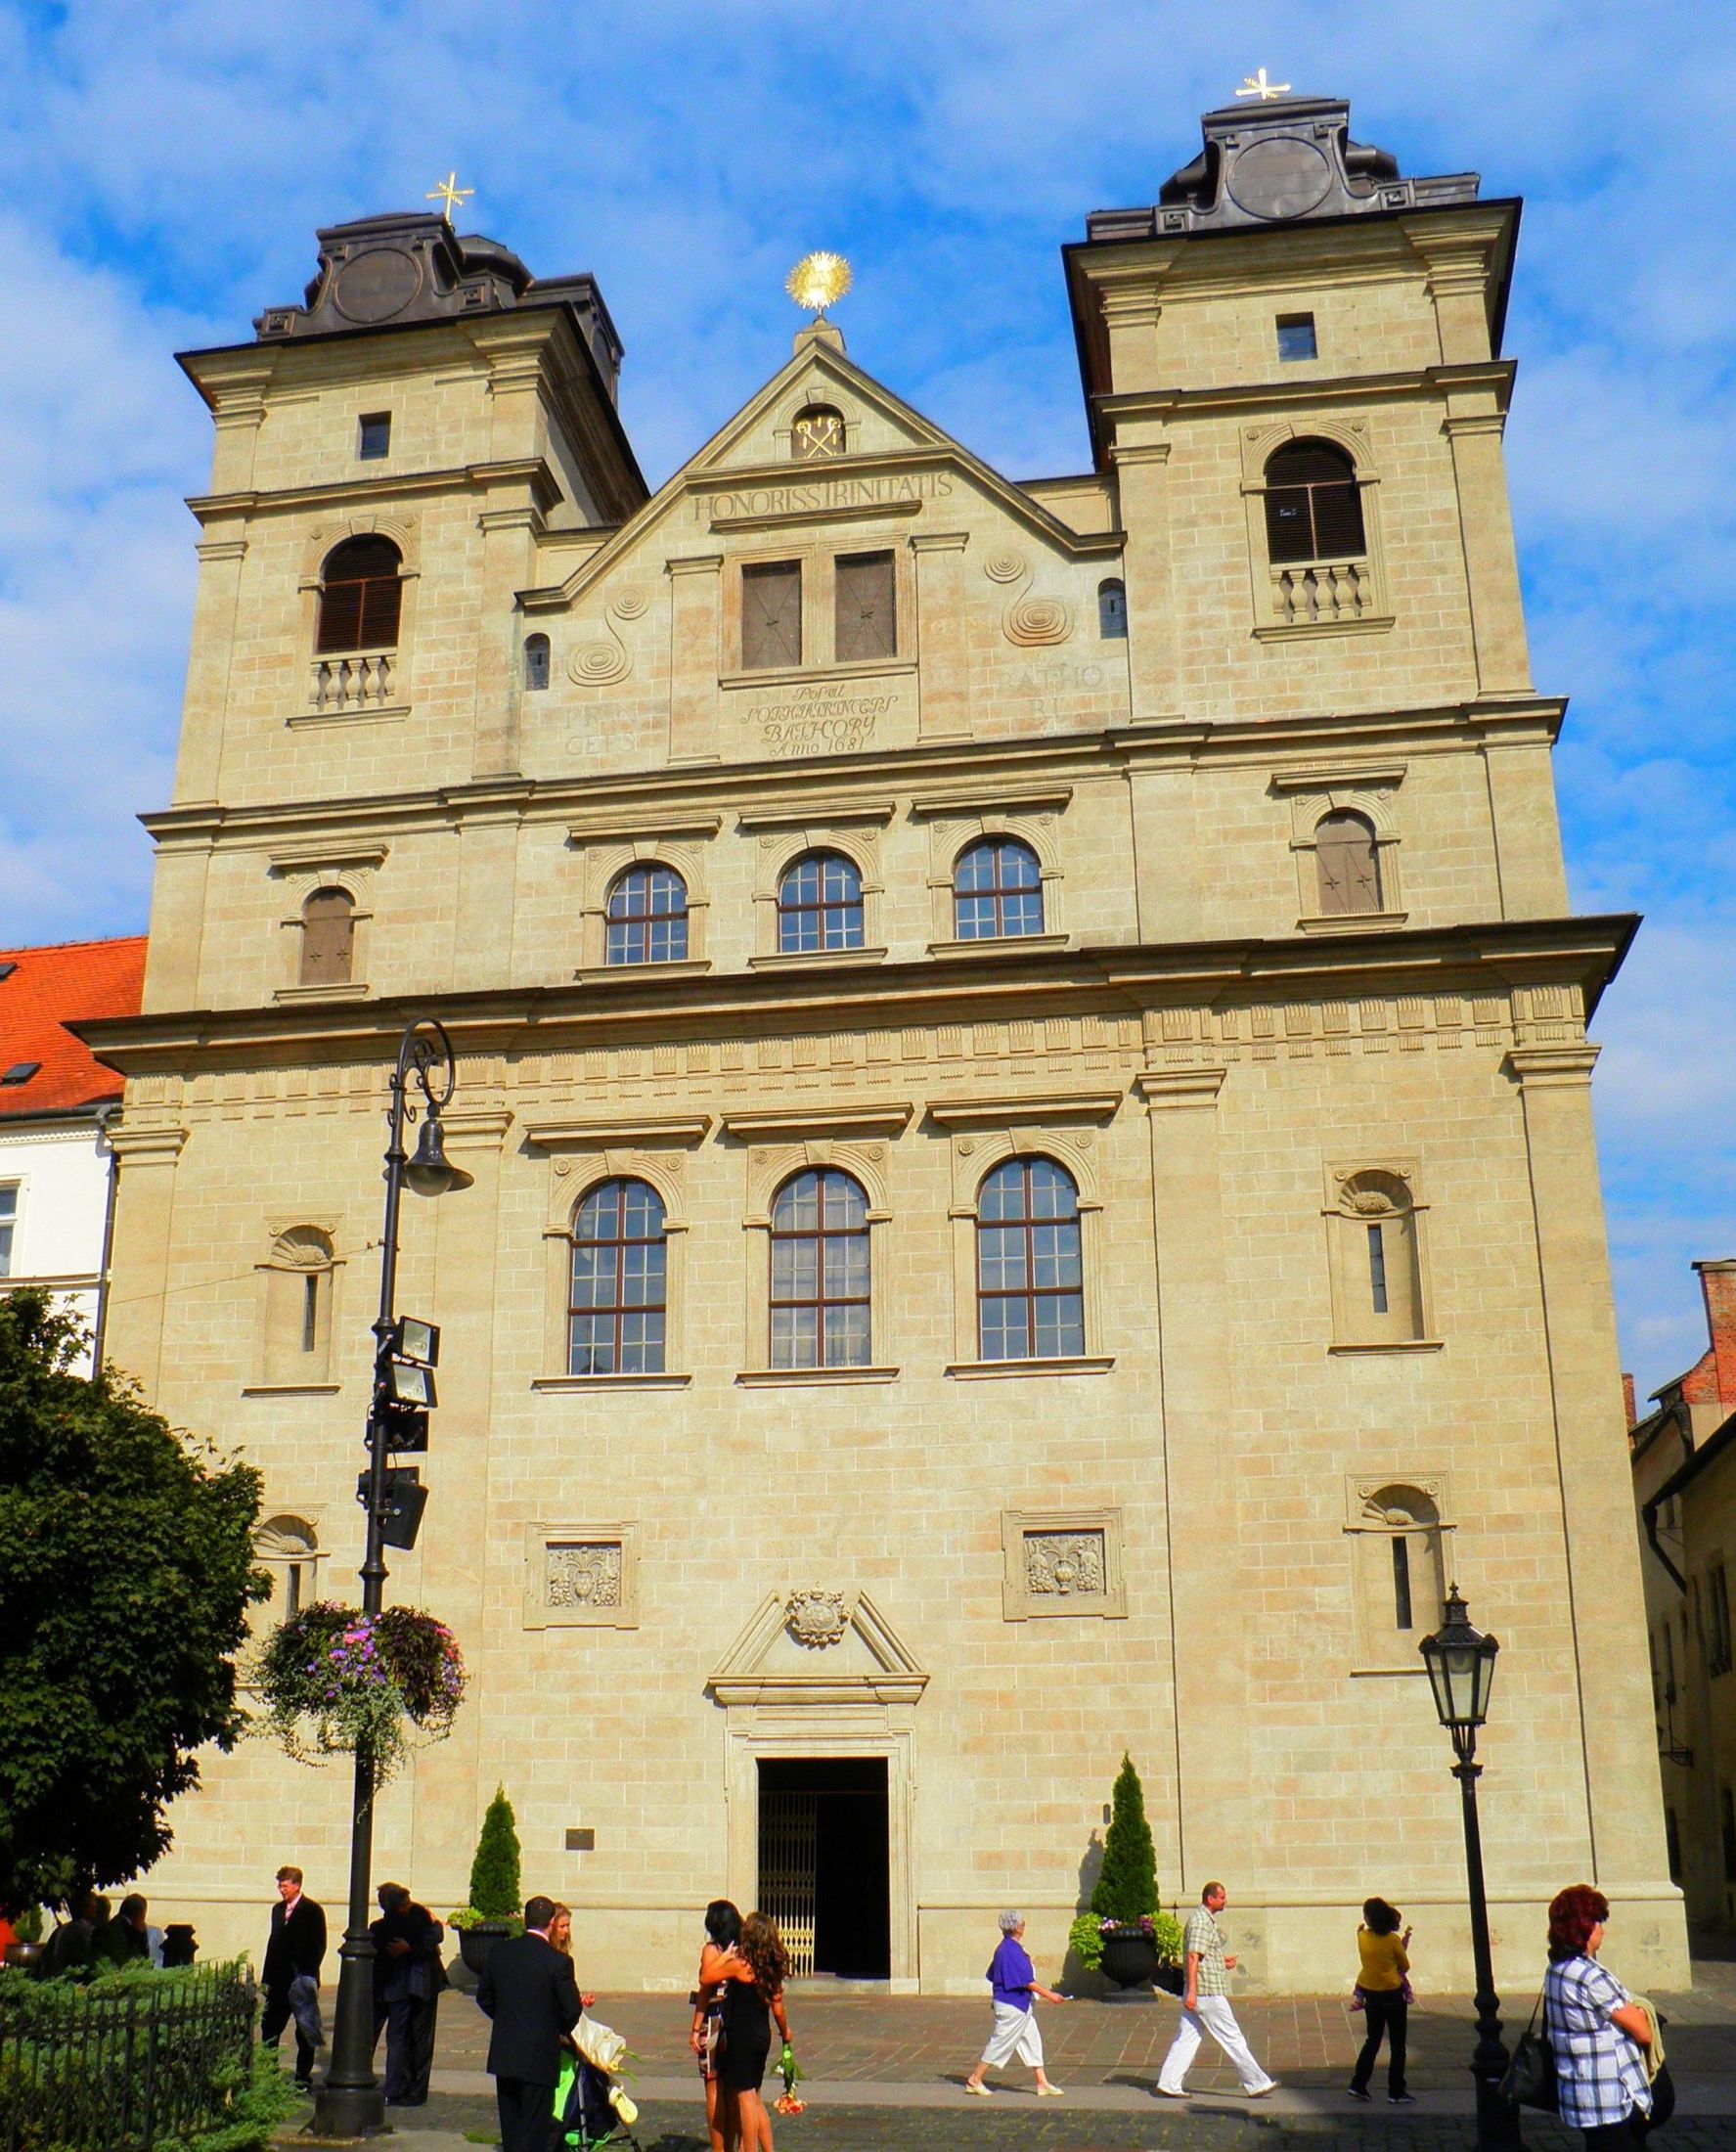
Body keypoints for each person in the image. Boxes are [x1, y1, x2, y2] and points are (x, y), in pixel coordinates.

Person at [476, 1894, 592, 2152]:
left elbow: (484, 1997)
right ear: (551, 1923)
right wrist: (552, 2027)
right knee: (535, 2128)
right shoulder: (558, 1961)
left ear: (525, 1920)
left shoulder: (500, 1952)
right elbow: (571, 2009)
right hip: (539, 2054)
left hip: (506, 2052)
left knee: (511, 2126)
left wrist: (507, 2019)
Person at [1544, 1884, 1654, 2148]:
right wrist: (1641, 2011)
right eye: (1598, 1922)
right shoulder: (1590, 1977)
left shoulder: (1556, 1969)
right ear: (1584, 1928)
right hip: (1607, 2096)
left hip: (1579, 2090)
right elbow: (1643, 2032)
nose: (1602, 1930)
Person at [1155, 1881, 1277, 2100]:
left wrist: (1221, 1961)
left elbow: (1202, 1955)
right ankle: (1257, 2083)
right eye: (1222, 1897)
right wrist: (1192, 1992)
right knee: (1232, 2037)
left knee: (1187, 2038)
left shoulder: (1202, 1919)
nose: (1225, 1901)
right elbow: (1193, 1957)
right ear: (1210, 1898)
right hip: (1207, 1993)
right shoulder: (1201, 1921)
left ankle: (1168, 2083)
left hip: (1201, 1992)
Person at [706, 1910, 793, 2152]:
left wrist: (725, 1956)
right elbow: (778, 2009)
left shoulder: (739, 1966)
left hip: (741, 2038)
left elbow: (706, 1976)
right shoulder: (771, 1969)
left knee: (745, 2099)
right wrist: (785, 2033)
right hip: (761, 2037)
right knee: (754, 2097)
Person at [963, 1910, 1067, 2097]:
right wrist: (1050, 1995)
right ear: (1018, 1927)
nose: (1024, 1926)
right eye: (1022, 1924)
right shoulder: (1010, 1950)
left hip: (1019, 2004)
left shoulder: (1007, 1948)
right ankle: (975, 2079)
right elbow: (1027, 1981)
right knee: (1001, 2041)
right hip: (1012, 2004)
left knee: (1032, 2041)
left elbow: (993, 1974)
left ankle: (1042, 2082)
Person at [370, 1882, 447, 2107]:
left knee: (404, 2038)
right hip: (409, 1986)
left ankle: (405, 2088)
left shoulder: (385, 1924)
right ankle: (401, 2088)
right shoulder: (415, 1920)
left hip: (403, 1986)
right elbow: (434, 1936)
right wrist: (433, 1925)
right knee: (404, 2039)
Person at [261, 1865, 327, 2089]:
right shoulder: (277, 1910)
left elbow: (318, 1945)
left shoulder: (312, 1910)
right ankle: (269, 2072)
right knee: (270, 2027)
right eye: (280, 1886)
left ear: (297, 1885)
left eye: (285, 1886)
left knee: (305, 2030)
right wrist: (267, 1979)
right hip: (278, 1980)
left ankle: (302, 2075)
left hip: (301, 1979)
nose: (282, 1890)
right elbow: (273, 1944)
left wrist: (305, 1972)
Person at [1347, 1897, 1412, 2104]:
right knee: (1397, 2045)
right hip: (1392, 1994)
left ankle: (1358, 2084)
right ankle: (1396, 2090)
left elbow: (1361, 1931)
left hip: (1371, 1995)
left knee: (1372, 2041)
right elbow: (1405, 1965)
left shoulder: (1362, 1937)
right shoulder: (1392, 1940)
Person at [689, 1899, 741, 2152]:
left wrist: (695, 2027)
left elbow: (705, 1988)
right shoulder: (742, 1948)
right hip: (737, 2020)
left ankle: (720, 2148)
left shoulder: (712, 1950)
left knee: (713, 2089)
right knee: (733, 2091)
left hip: (714, 2019)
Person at [39, 1892, 102, 1979]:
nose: (96, 1908)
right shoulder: (85, 1930)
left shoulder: (60, 1929)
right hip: (74, 1979)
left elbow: (45, 1956)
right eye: (93, 1907)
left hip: (56, 1978)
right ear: (85, 1908)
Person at [97, 1893, 152, 1969]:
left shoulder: (106, 1927)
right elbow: (142, 1961)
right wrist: (142, 1935)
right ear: (139, 1914)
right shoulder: (128, 1931)